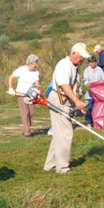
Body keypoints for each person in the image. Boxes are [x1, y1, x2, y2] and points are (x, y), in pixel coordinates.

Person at [43, 43, 90, 174]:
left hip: (66, 100)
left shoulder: (74, 67)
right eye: (81, 57)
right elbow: (64, 85)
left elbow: (74, 87)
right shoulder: (64, 65)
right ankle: (62, 168)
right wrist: (77, 101)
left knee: (59, 133)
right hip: (59, 100)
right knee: (66, 133)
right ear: (74, 53)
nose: (83, 60)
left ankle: (50, 165)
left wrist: (77, 104)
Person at [8, 54, 40, 137]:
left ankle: (26, 128)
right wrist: (11, 88)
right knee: (25, 113)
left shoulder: (36, 72)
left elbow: (37, 83)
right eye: (35, 63)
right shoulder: (21, 70)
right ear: (30, 63)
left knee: (31, 113)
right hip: (21, 94)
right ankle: (27, 132)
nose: (36, 65)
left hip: (31, 95)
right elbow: (11, 77)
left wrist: (38, 90)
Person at [83, 55, 104, 128]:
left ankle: (96, 122)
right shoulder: (86, 70)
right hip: (89, 93)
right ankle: (88, 122)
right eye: (91, 62)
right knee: (89, 107)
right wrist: (88, 85)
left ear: (96, 62)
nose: (92, 64)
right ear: (88, 63)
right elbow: (85, 80)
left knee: (97, 108)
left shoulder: (99, 69)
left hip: (98, 93)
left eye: (93, 62)